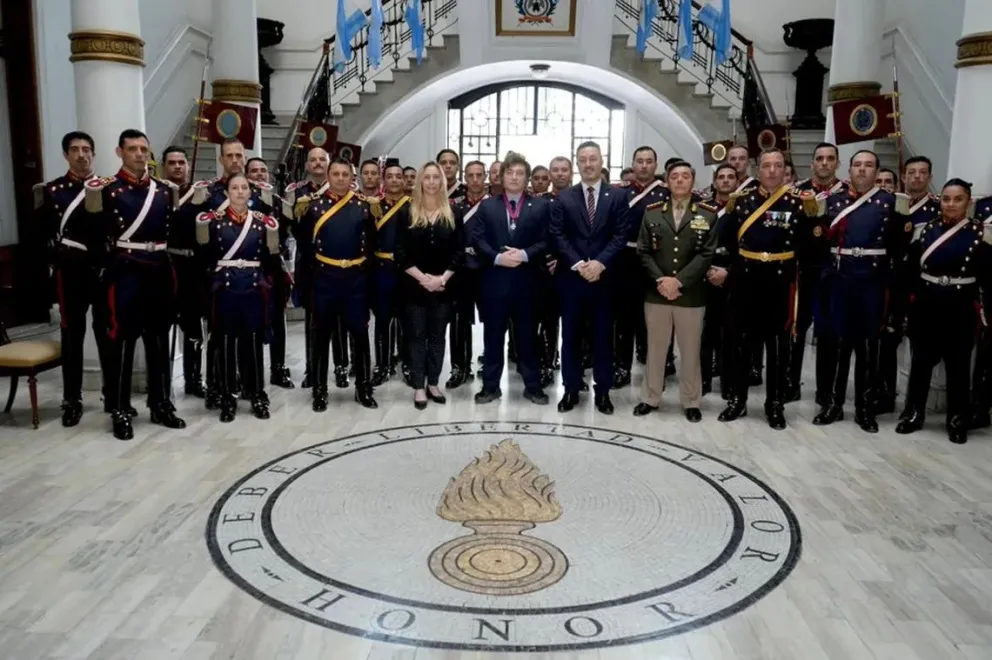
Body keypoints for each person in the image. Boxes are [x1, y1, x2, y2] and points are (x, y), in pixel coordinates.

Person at [87, 128, 186, 440]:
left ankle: (160, 402)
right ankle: (119, 407)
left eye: (143, 149)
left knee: (158, 338)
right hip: (126, 269)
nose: (139, 154)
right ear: (120, 152)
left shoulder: (164, 190)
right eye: (132, 149)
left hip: (159, 269)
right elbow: (95, 235)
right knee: (122, 340)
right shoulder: (107, 190)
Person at [717, 148, 818, 429]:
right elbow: (727, 239)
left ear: (785, 169)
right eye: (766, 165)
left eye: (777, 165)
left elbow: (809, 246)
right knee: (741, 343)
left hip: (780, 282)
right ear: (757, 169)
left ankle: (774, 404)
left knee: (778, 347)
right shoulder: (742, 200)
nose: (772, 171)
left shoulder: (800, 203)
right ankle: (737, 400)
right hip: (746, 281)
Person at [812, 149, 910, 433]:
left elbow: (899, 246)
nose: (862, 169)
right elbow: (819, 243)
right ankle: (832, 403)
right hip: (839, 280)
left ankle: (864, 408)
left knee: (868, 346)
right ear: (849, 169)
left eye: (868, 165)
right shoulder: (832, 201)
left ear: (877, 171)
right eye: (857, 165)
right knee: (836, 343)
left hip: (871, 282)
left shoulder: (891, 203)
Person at [897, 179, 990, 444]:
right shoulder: (925, 231)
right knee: (920, 364)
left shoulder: (982, 234)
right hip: (927, 305)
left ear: (968, 202)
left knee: (958, 367)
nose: (951, 204)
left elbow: (987, 278)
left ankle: (957, 419)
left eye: (958, 199)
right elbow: (911, 272)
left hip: (960, 307)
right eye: (946, 199)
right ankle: (913, 414)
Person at [34, 131, 110, 426]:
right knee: (71, 336)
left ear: (94, 153)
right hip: (71, 272)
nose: (82, 155)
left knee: (107, 333)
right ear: (66, 155)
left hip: (102, 270)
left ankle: (112, 393)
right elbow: (41, 236)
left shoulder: (108, 189)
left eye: (86, 149)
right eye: (75, 150)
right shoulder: (53, 191)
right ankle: (72, 399)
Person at [550, 141, 630, 414]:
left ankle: (603, 392)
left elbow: (621, 235)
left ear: (601, 161)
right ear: (577, 163)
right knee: (571, 337)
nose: (588, 164)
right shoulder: (564, 198)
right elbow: (558, 235)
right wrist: (578, 264)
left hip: (604, 281)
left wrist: (599, 263)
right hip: (572, 280)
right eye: (583, 159)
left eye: (592, 158)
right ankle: (571, 389)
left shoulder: (617, 196)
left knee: (603, 338)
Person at [634, 162, 717, 421]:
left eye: (685, 176)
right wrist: (662, 280)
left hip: (690, 294)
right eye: (674, 177)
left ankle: (691, 401)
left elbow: (706, 254)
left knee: (690, 350)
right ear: (667, 181)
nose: (680, 180)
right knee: (656, 349)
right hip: (657, 292)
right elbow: (643, 251)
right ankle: (650, 397)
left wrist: (678, 281)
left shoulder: (707, 214)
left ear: (693, 181)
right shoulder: (652, 213)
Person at [295, 157, 378, 410]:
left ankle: (363, 388)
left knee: (360, 336)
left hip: (355, 280)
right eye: (336, 174)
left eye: (345, 174)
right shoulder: (311, 207)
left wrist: (363, 274)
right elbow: (305, 246)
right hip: (325, 280)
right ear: (328, 176)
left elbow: (371, 244)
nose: (341, 178)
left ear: (352, 177)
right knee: (321, 337)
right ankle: (320, 390)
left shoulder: (365, 206)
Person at [195, 173, 279, 421]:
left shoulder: (263, 223)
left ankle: (257, 393)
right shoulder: (213, 222)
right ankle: (227, 396)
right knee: (226, 343)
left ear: (251, 192)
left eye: (244, 187)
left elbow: (270, 258)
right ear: (227, 192)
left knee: (253, 343)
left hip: (253, 288)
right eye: (235, 188)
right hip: (226, 289)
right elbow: (206, 257)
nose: (240, 192)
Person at [472, 151, 550, 405]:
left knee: (528, 339)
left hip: (528, 284)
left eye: (520, 173)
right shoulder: (487, 205)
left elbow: (547, 240)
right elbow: (478, 239)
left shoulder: (541, 206)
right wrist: (497, 258)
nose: (514, 177)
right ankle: (490, 387)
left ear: (527, 179)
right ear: (502, 177)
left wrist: (525, 254)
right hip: (495, 283)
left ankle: (533, 387)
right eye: (510, 172)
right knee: (493, 338)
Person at [395, 162, 464, 409]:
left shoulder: (454, 213)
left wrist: (441, 279)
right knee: (416, 336)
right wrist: (423, 279)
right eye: (427, 177)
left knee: (437, 337)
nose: (432, 182)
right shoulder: (407, 212)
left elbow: (459, 252)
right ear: (420, 181)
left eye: (436, 177)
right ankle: (418, 386)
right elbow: (400, 253)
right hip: (414, 287)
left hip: (443, 288)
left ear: (442, 181)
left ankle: (433, 383)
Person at [791, 142, 848, 405]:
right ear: (812, 163)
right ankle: (791, 384)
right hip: (802, 270)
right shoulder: (797, 192)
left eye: (830, 158)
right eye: (819, 158)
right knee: (796, 330)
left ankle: (825, 390)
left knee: (829, 334)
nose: (824, 163)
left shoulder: (846, 194)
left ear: (837, 163)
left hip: (833, 273)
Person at [882, 156, 939, 415]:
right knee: (887, 340)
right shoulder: (893, 205)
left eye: (922, 172)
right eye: (911, 172)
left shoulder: (937, 210)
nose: (916, 177)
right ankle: (885, 394)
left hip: (922, 287)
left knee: (919, 346)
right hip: (893, 282)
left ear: (930, 177)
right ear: (903, 176)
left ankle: (914, 405)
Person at [614, 146, 667, 388]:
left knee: (656, 320)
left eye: (649, 161)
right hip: (626, 259)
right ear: (633, 164)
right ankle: (622, 368)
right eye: (640, 161)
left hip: (657, 260)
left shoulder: (666, 193)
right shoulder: (620, 193)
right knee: (624, 318)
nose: (644, 166)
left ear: (656, 165)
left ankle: (655, 370)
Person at [161, 145, 208, 400]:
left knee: (193, 328)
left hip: (192, 269)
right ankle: (162, 381)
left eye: (181, 162)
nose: (177, 167)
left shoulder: (200, 196)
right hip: (165, 266)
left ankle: (193, 378)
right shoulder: (158, 194)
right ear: (164, 166)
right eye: (172, 163)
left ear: (188, 166)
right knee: (160, 327)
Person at [245, 156, 295, 390]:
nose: (259, 174)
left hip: (273, 268)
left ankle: (278, 368)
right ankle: (249, 373)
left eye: (263, 170)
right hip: (248, 268)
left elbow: (288, 229)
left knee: (277, 321)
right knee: (249, 322)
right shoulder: (239, 200)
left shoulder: (277, 202)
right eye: (254, 171)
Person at [447, 160, 488, 389]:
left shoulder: (493, 205)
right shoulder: (455, 206)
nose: (474, 180)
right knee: (459, 320)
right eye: (470, 175)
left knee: (491, 319)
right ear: (465, 177)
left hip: (487, 270)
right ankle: (459, 368)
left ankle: (490, 363)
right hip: (461, 271)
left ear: (485, 177)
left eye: (479, 175)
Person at [700, 163, 738, 398]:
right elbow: (695, 244)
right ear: (715, 181)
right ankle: (703, 380)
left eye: (730, 177)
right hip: (705, 275)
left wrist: (729, 272)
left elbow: (748, 246)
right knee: (706, 333)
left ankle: (728, 383)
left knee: (730, 333)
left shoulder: (744, 209)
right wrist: (706, 269)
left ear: (737, 181)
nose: (725, 180)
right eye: (721, 177)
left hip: (733, 277)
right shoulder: (703, 209)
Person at [371, 160, 410, 386]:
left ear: (404, 180)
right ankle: (382, 365)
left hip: (407, 271)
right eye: (390, 176)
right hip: (382, 270)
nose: (394, 180)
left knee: (407, 320)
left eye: (398, 176)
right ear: (383, 180)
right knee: (382, 320)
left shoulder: (413, 206)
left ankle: (407, 364)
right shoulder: (374, 206)